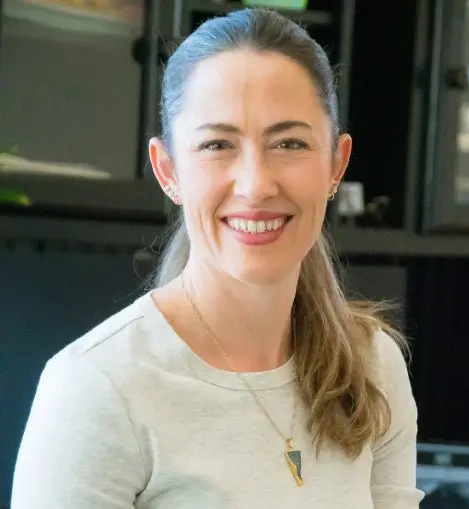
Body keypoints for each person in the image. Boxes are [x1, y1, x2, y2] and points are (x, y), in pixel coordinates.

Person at [11, 7, 424, 509]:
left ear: (336, 165)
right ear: (168, 171)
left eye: (289, 142)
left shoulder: (372, 363)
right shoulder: (95, 386)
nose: (255, 184)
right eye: (217, 144)